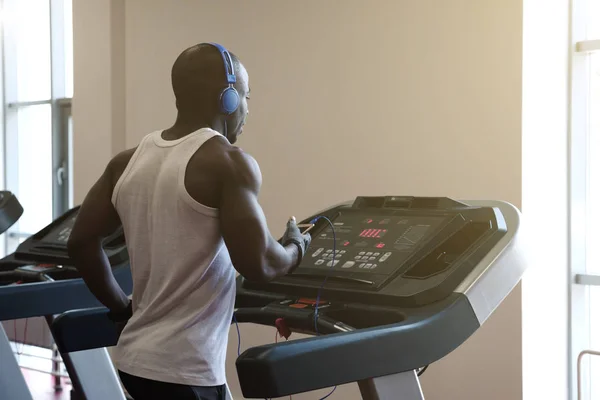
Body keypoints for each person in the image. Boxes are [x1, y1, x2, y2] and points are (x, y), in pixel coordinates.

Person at [67, 42, 312, 400]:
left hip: (135, 363)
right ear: (226, 98)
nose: (247, 109)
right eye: (246, 96)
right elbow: (259, 263)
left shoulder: (126, 162)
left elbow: (80, 243)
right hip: (185, 372)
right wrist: (295, 247)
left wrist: (122, 308)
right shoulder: (229, 162)